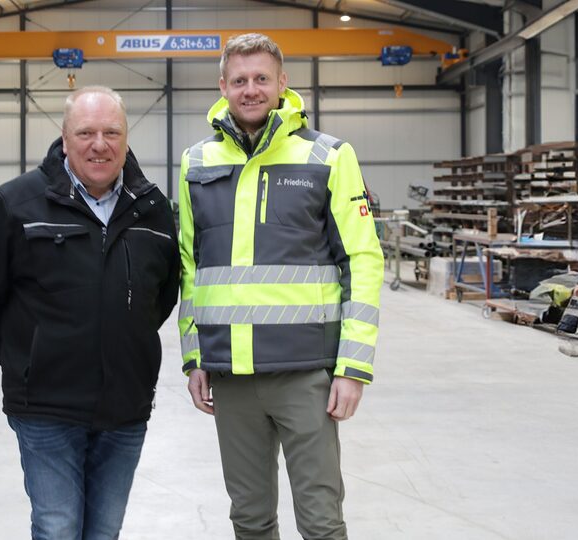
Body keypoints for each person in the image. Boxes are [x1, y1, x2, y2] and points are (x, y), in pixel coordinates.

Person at [177, 33, 384, 539]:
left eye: (262, 79)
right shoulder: (196, 163)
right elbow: (190, 267)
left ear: (283, 83)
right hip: (231, 375)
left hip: (306, 374)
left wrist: (353, 367)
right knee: (249, 518)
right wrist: (195, 358)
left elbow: (362, 260)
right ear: (222, 86)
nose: (252, 89)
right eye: (240, 80)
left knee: (320, 519)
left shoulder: (328, 157)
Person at [0, 85, 180, 540]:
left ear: (126, 138)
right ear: (64, 138)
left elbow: (163, 293)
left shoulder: (153, 208)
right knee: (57, 528)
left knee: (105, 530)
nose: (100, 144)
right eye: (86, 132)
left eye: (112, 132)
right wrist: (28, 354)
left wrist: (124, 338)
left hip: (125, 404)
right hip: (45, 405)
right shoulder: (14, 203)